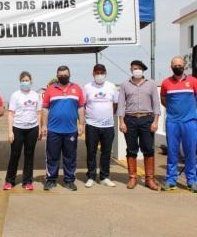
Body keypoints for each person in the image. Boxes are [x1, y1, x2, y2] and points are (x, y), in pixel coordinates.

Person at [117, 60, 160, 190]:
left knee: (148, 148)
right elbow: (120, 104)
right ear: (131, 70)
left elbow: (156, 104)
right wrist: (121, 122)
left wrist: (155, 121)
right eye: (134, 68)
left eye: (139, 68)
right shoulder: (125, 85)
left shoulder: (151, 84)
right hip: (130, 119)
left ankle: (149, 179)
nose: (136, 70)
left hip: (147, 119)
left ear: (143, 70)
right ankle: (132, 178)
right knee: (131, 149)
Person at [42, 65, 85, 191]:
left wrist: (81, 124)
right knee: (52, 156)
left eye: (65, 75)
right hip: (53, 130)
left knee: (70, 157)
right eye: (60, 75)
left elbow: (81, 107)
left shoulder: (76, 88)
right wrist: (44, 125)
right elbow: (45, 108)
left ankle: (69, 180)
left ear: (69, 74)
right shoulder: (50, 89)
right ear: (57, 76)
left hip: (71, 130)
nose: (63, 77)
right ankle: (51, 180)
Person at [160, 56, 197, 192]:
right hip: (173, 122)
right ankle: (171, 180)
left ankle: (192, 181)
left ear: (184, 66)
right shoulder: (166, 83)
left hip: (190, 122)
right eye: (175, 65)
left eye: (180, 65)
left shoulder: (193, 81)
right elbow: (163, 99)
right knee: (172, 152)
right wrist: (174, 111)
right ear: (171, 67)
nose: (177, 67)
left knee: (190, 152)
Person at [3, 71, 42, 191]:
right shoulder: (15, 95)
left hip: (32, 129)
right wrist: (10, 131)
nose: (25, 82)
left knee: (29, 155)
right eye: (23, 80)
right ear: (20, 82)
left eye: (27, 80)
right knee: (15, 155)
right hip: (18, 129)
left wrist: (39, 128)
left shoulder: (36, 95)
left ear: (31, 81)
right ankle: (9, 181)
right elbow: (10, 114)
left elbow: (39, 113)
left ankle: (27, 181)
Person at [84, 64, 118, 188]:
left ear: (105, 73)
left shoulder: (111, 86)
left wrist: (106, 114)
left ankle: (104, 177)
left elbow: (115, 104)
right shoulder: (87, 87)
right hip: (91, 125)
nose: (99, 75)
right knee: (91, 152)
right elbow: (83, 105)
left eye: (101, 72)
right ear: (93, 73)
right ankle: (91, 177)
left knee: (106, 152)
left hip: (108, 126)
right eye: (97, 72)